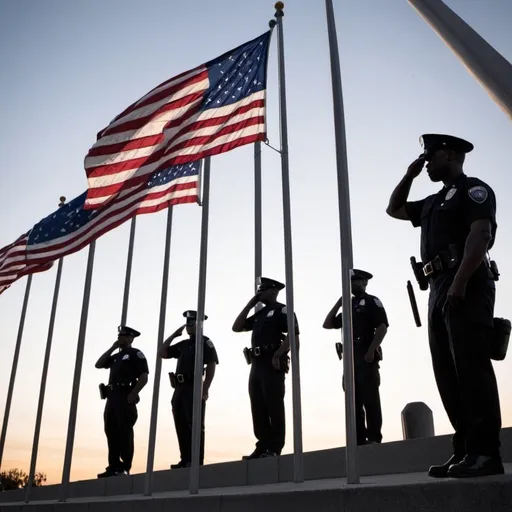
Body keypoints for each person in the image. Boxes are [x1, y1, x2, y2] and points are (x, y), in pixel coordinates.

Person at [386, 133, 503, 478]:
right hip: (438, 287)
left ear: (450, 155)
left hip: (464, 281)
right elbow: (394, 209)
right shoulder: (434, 201)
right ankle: (466, 449)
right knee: (447, 373)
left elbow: (480, 235)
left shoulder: (473, 190)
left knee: (471, 367)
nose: (427, 163)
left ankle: (485, 454)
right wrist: (409, 175)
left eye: (431, 156)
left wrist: (461, 281)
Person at [232, 277, 300, 459]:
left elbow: (293, 336)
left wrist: (279, 355)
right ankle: (262, 445)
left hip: (272, 362)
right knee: (257, 405)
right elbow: (236, 327)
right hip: (256, 364)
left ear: (273, 291)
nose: (259, 294)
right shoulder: (260, 314)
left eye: (263, 291)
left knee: (273, 404)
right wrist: (250, 304)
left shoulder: (282, 310)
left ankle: (274, 447)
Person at [323, 269, 389, 445]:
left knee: (370, 400)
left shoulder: (371, 301)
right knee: (353, 402)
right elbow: (328, 324)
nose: (352, 285)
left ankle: (374, 437)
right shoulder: (348, 305)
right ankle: (358, 439)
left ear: (364, 283)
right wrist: (340, 302)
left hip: (366, 355)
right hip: (350, 358)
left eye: (355, 282)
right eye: (349, 283)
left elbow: (382, 327)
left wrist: (371, 350)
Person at [159, 310, 219, 469]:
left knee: (195, 424)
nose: (188, 326)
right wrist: (173, 335)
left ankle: (196, 460)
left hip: (194, 387)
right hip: (179, 388)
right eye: (187, 323)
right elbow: (162, 352)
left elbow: (211, 364)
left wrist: (205, 388)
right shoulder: (184, 344)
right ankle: (185, 458)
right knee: (181, 424)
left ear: (199, 324)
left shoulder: (205, 342)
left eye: (191, 323)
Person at [95, 325, 149, 478]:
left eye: (123, 335)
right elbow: (99, 364)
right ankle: (113, 465)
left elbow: (144, 377)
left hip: (125, 396)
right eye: (119, 335)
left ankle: (124, 466)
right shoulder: (116, 357)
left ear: (131, 338)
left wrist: (134, 393)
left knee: (124, 432)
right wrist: (113, 347)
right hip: (112, 397)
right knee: (110, 430)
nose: (120, 338)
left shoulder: (135, 354)